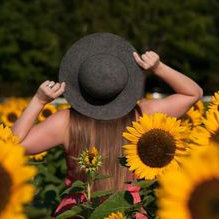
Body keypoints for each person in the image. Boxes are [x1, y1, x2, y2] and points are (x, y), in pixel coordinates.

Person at [12, 32, 203, 196]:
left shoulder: (66, 122)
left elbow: (13, 146)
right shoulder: (144, 113)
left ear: (80, 83)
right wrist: (157, 67)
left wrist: (39, 101)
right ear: (124, 83)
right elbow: (193, 93)